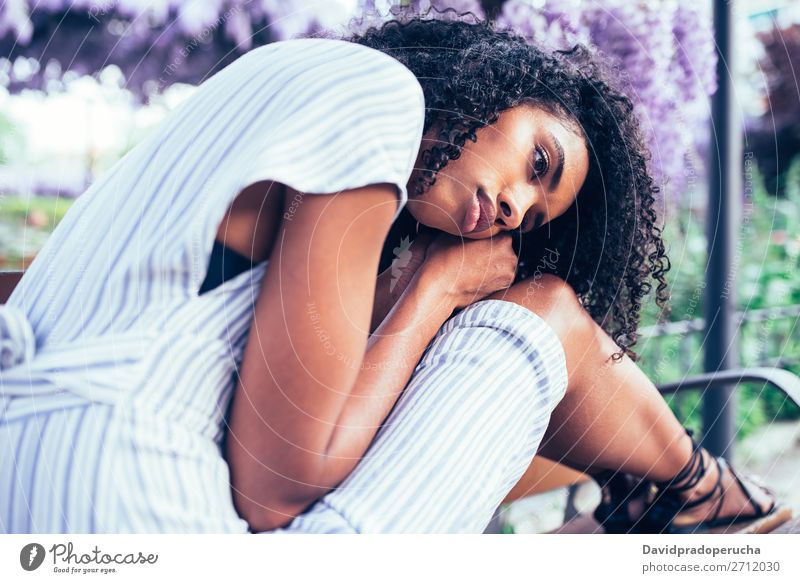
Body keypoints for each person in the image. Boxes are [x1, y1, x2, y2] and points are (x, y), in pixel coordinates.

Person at [0, 13, 780, 534]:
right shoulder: (375, 103)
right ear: (496, 84)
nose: (513, 206)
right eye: (537, 162)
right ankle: (698, 491)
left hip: (41, 485)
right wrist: (434, 286)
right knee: (545, 314)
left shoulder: (295, 96)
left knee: (539, 335)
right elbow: (274, 487)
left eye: (532, 217)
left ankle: (672, 490)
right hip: (128, 503)